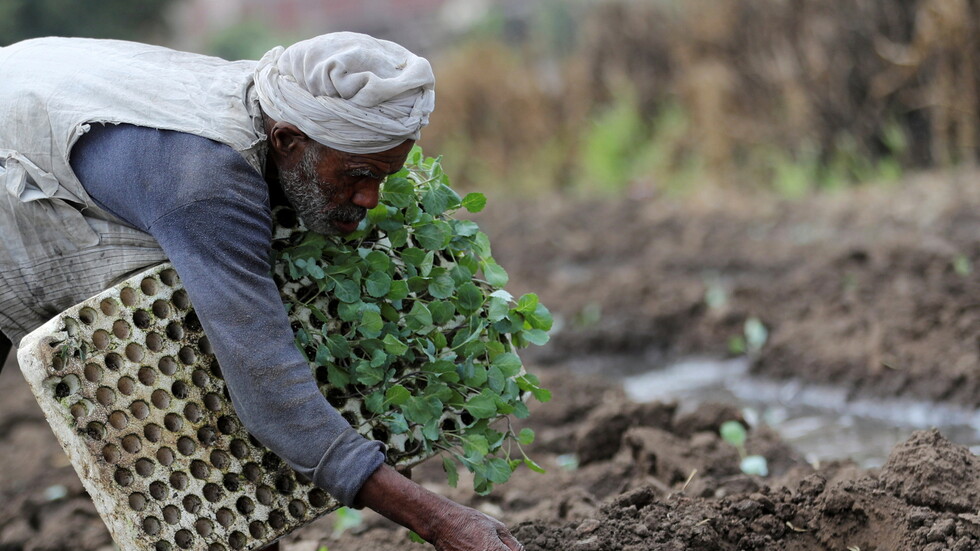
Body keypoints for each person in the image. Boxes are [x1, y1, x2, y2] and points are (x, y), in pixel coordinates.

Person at [0, 33, 524, 551]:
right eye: (360, 175)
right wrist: (438, 521)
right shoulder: (205, 183)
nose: (370, 198)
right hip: (18, 134)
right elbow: (273, 397)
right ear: (288, 141)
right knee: (187, 372)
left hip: (37, 90)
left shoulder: (279, 102)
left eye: (384, 176)